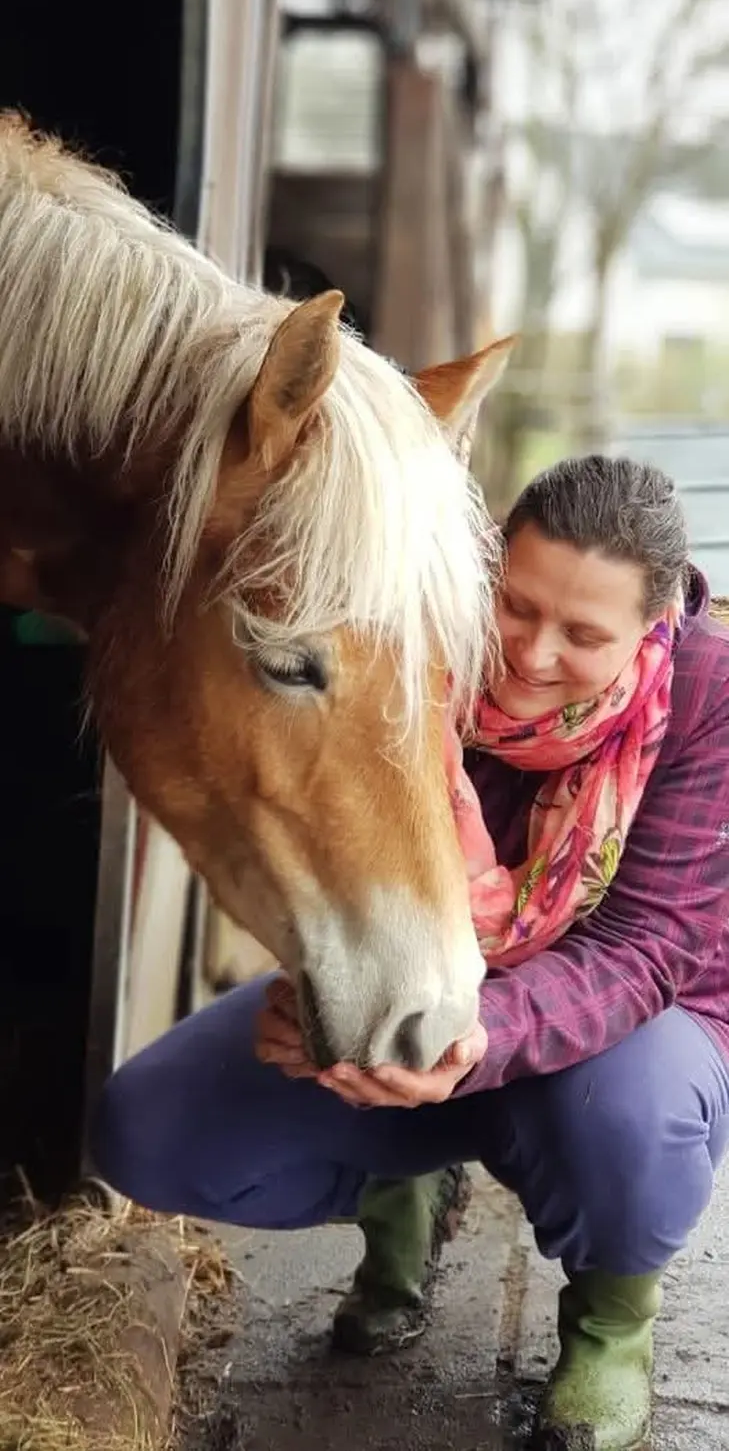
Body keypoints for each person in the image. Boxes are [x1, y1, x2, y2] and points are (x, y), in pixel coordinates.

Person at [91, 456, 729, 1451]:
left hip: (620, 1028)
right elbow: (330, 838)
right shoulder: (414, 628)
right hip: (421, 980)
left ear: (652, 627)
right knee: (147, 1135)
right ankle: (404, 1187)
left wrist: (475, 1038)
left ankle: (609, 1327)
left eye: (582, 635)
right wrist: (320, 992)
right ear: (488, 570)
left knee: (622, 1115)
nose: (531, 653)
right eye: (515, 606)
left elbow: (648, 948)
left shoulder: (706, 696)